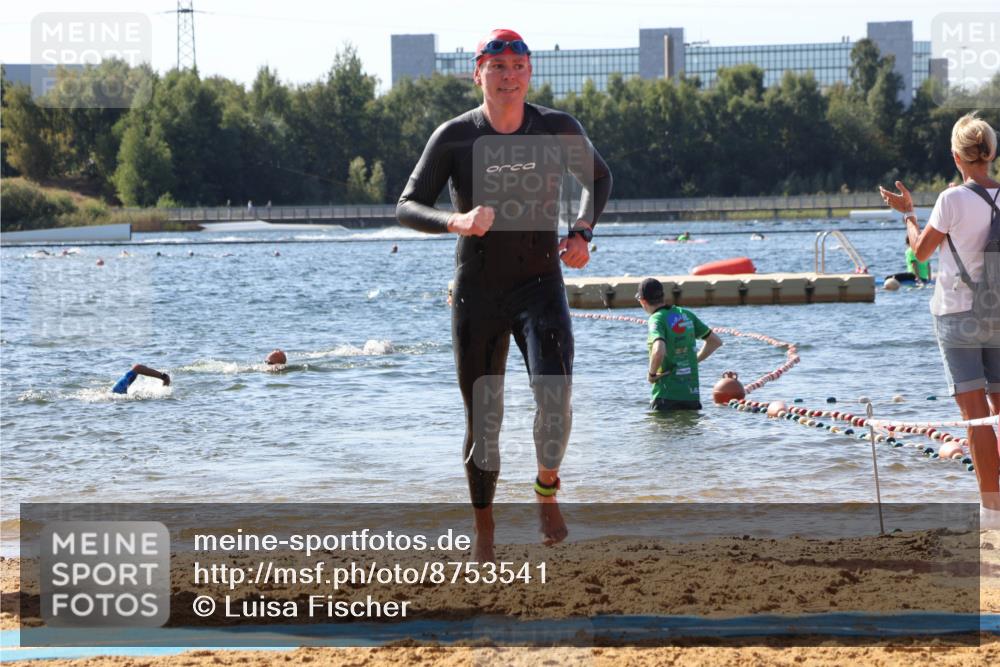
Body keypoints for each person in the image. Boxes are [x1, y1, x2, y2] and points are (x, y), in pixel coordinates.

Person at [396, 28, 612, 561]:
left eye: (518, 67)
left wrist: (582, 231)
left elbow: (599, 179)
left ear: (529, 73)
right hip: (479, 293)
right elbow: (407, 204)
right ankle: (485, 532)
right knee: (483, 422)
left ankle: (546, 489)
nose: (508, 77)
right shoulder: (455, 137)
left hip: (541, 286)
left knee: (556, 398)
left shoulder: (557, 128)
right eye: (497, 68)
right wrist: (455, 220)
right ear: (479, 74)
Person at [879, 112, 1000, 525]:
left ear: (956, 157)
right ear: (991, 152)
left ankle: (992, 511)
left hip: (958, 313)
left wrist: (909, 214)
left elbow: (921, 254)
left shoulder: (951, 201)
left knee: (976, 417)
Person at [636, 278, 722, 411]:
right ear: (663, 296)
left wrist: (651, 374)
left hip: (666, 395)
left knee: (658, 425)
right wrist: (693, 360)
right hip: (691, 395)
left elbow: (658, 350)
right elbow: (715, 342)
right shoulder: (686, 314)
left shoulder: (656, 319)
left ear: (643, 301)